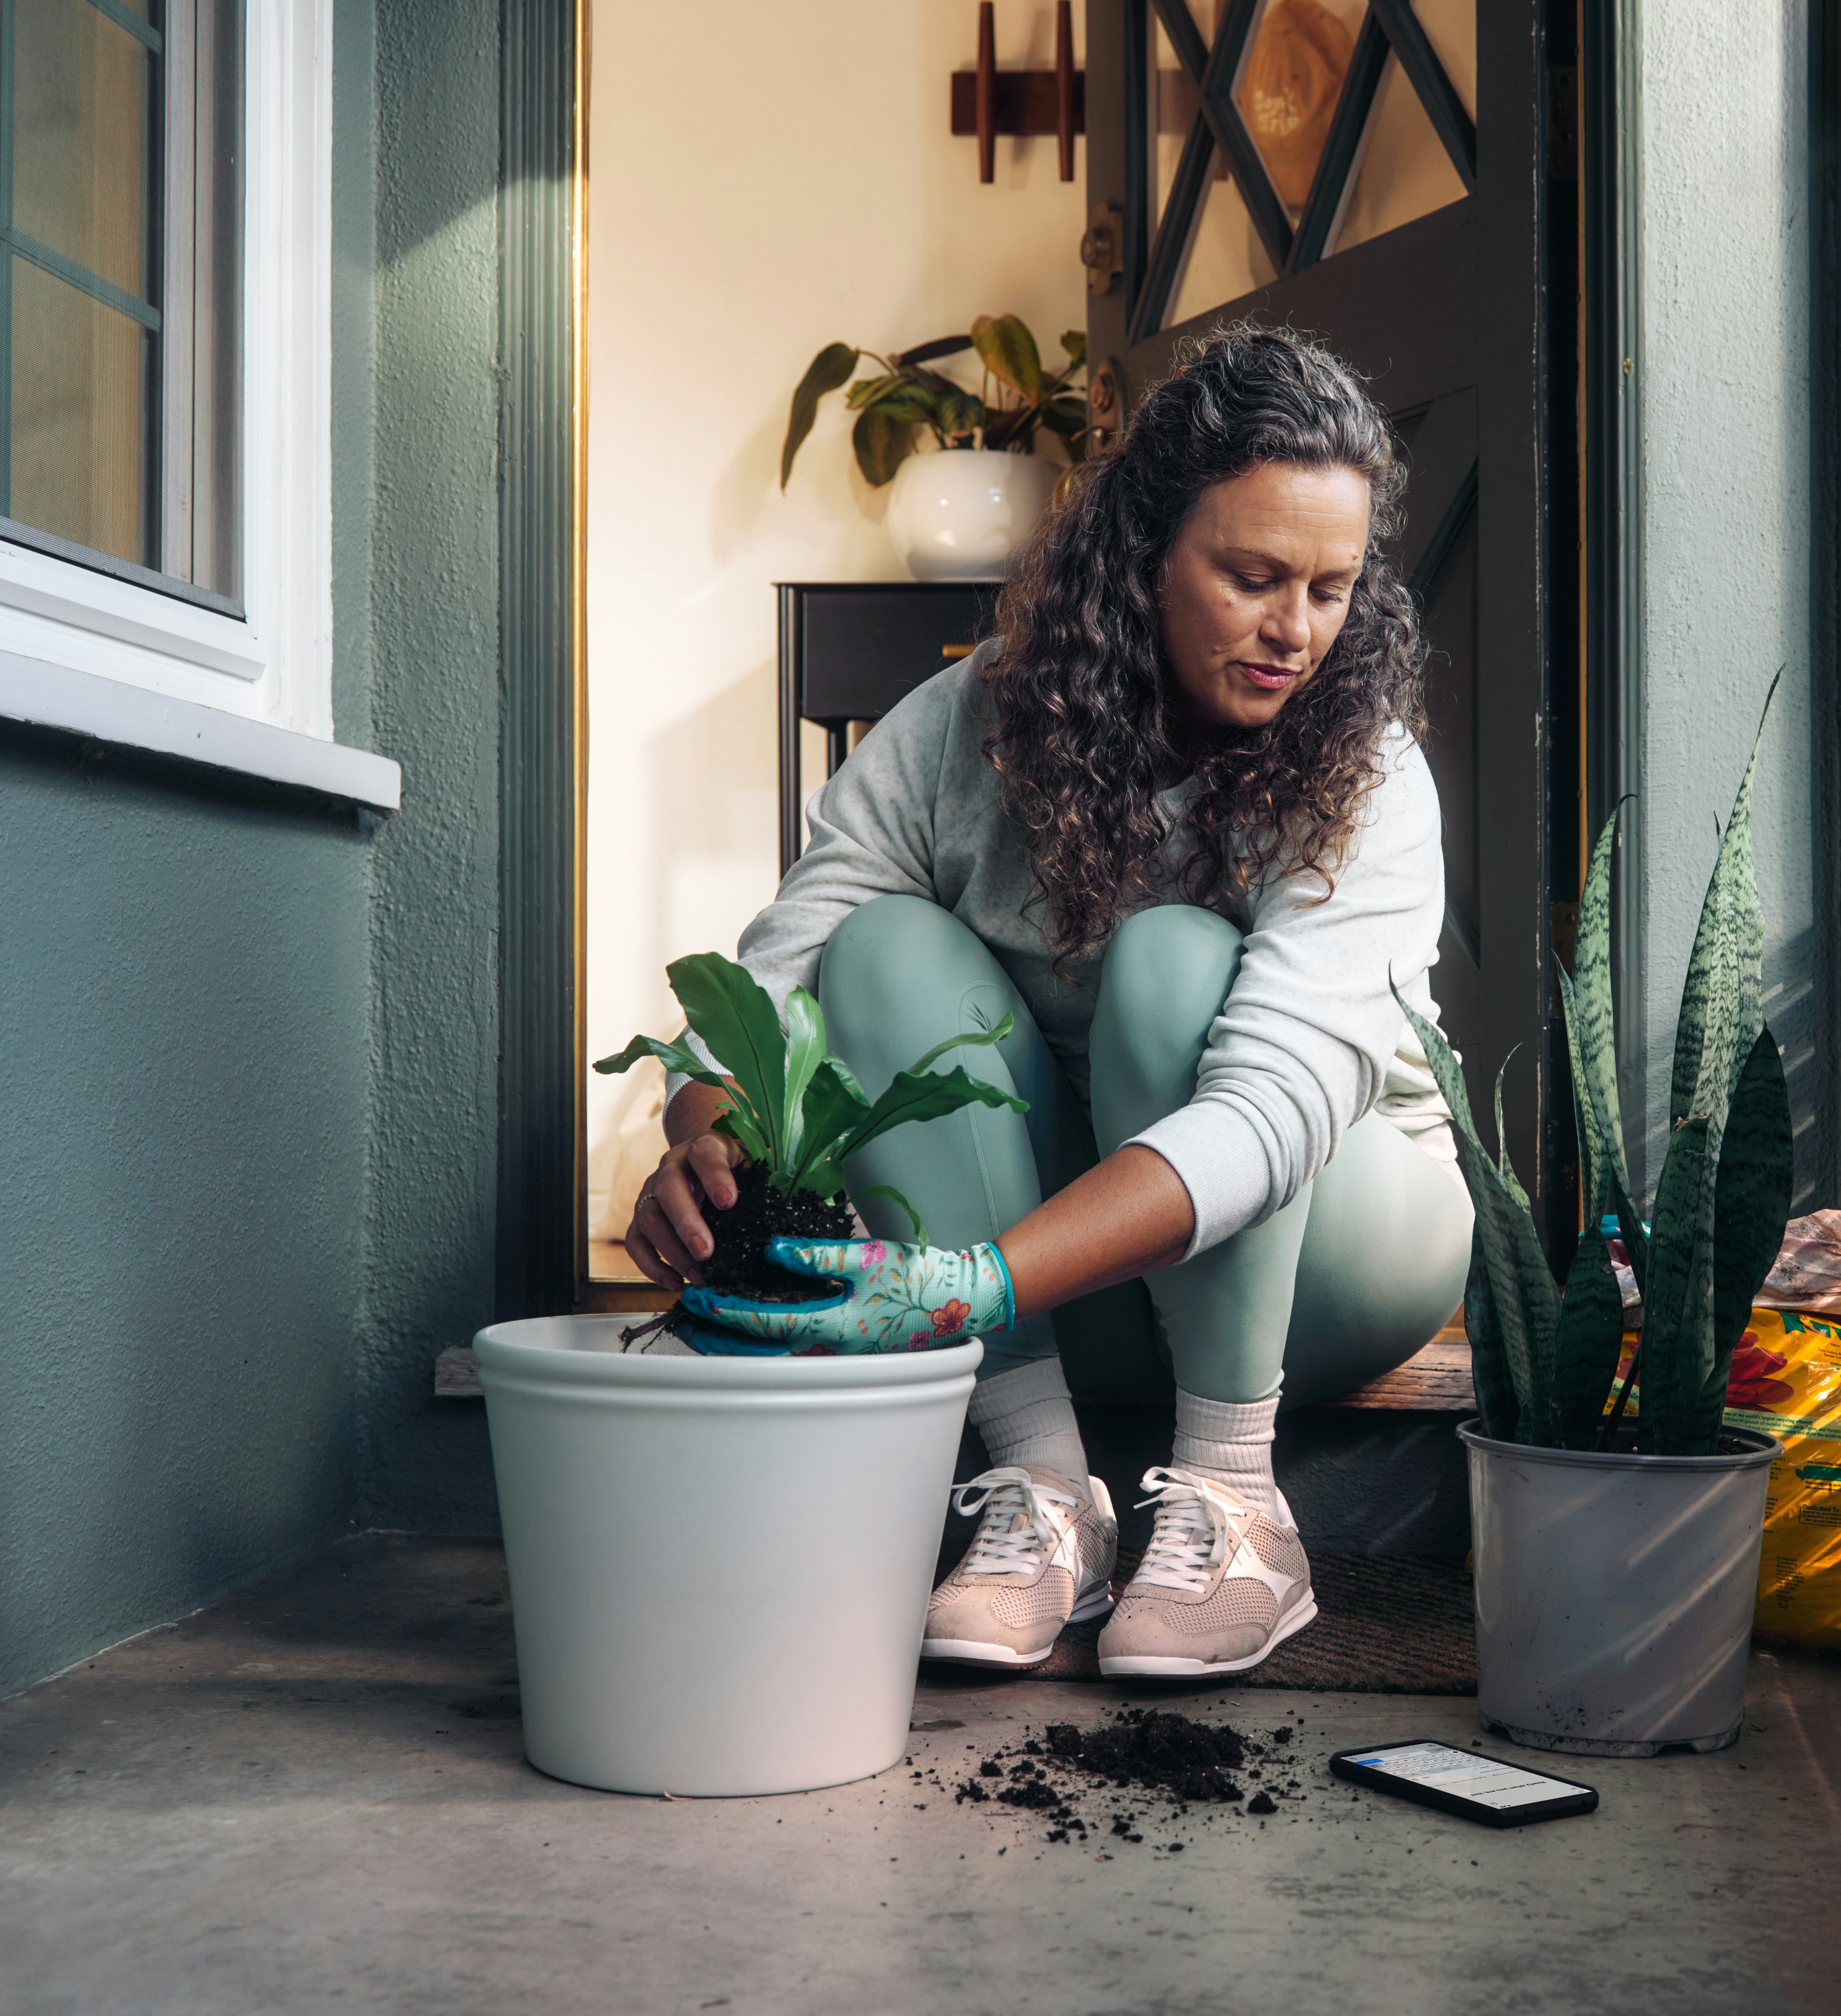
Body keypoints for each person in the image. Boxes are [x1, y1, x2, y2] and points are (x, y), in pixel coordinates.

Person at [623, 325, 1472, 1681]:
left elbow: (1267, 1115)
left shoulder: (1367, 776)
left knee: (1176, 962)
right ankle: (1042, 1492)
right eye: (1251, 576)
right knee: (882, 951)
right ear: (1141, 554)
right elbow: (774, 975)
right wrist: (711, 1138)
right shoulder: (966, 725)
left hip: (1333, 1257)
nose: (1296, 632)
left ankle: (1238, 1501)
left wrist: (968, 1282)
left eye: (1332, 586)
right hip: (1067, 1275)